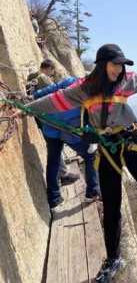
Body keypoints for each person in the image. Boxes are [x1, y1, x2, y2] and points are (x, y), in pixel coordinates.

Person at [19, 43, 137, 283]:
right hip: (107, 146)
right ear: (103, 65)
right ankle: (113, 258)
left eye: (121, 65)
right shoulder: (83, 90)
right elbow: (55, 101)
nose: (119, 69)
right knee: (111, 205)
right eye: (115, 64)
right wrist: (26, 109)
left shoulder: (125, 83)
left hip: (130, 139)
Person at [33, 77, 101, 210]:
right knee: (91, 156)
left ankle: (54, 198)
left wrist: (34, 95)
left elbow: (51, 89)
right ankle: (92, 191)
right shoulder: (93, 97)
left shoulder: (72, 81)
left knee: (53, 160)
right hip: (69, 132)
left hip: (50, 126)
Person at [26, 59, 79, 186]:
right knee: (55, 149)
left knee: (54, 150)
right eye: (52, 71)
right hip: (48, 118)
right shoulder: (43, 79)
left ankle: (62, 176)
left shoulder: (31, 77)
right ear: (49, 68)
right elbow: (52, 96)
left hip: (40, 117)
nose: (52, 74)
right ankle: (63, 175)